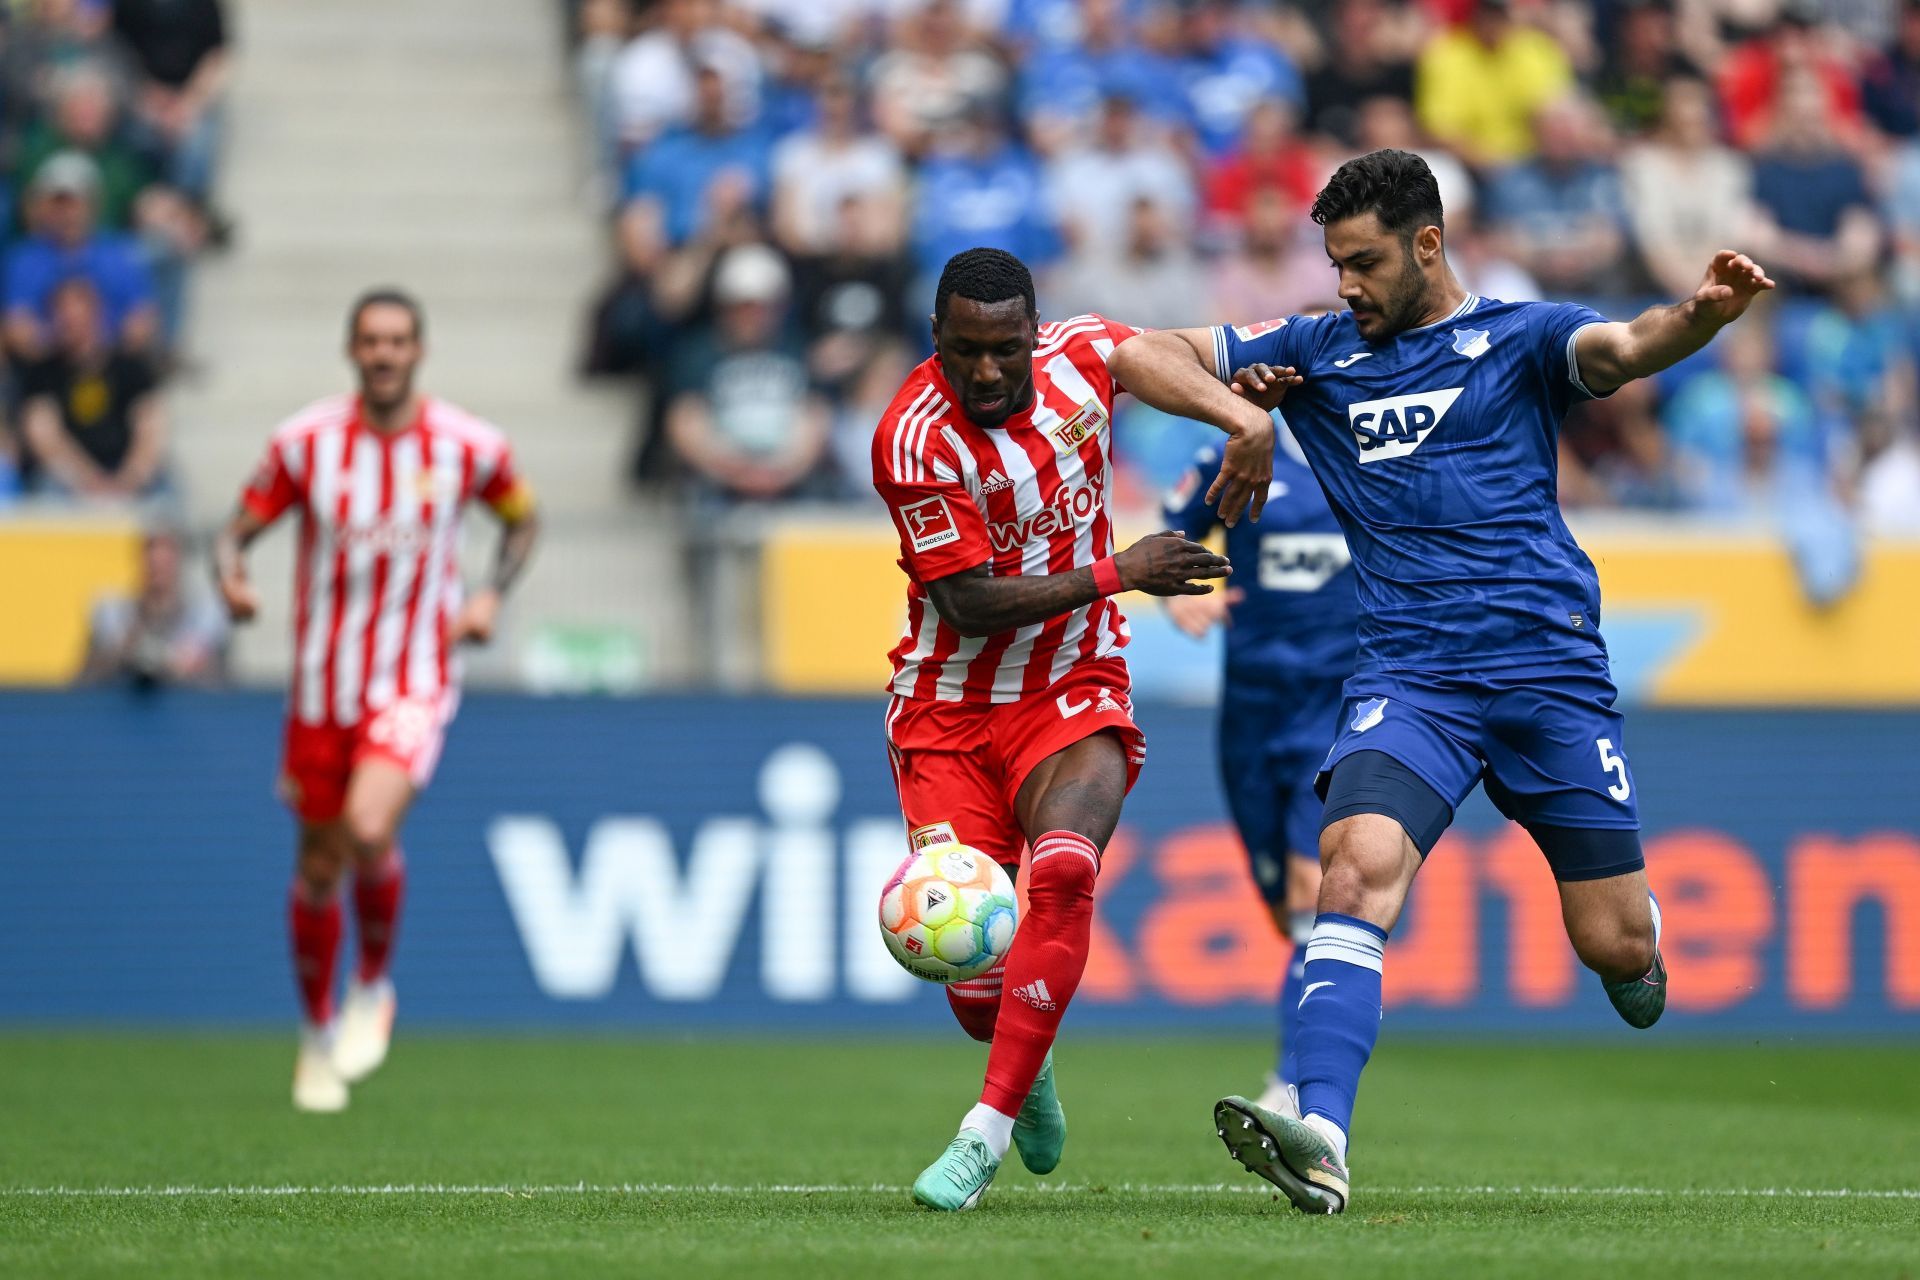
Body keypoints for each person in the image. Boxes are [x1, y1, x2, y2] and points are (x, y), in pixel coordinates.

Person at [1108, 148, 1773, 1214]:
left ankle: (1633, 931)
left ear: (1427, 244)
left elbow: (1629, 343)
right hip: (1410, 673)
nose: (1345, 287)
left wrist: (1704, 314)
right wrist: (1243, 415)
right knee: (1353, 866)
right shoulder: (1315, 351)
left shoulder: (1524, 337)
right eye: (1334, 265)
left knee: (1619, 947)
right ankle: (1321, 1134)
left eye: (1363, 263)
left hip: (1547, 670)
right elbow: (1140, 351)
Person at [872, 246, 1273, 1212]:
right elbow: (967, 603)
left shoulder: (1077, 356)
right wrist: (1121, 571)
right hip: (948, 709)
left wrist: (1239, 415)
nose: (987, 372)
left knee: (1060, 870)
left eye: (1005, 349)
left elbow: (1143, 355)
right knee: (973, 974)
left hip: (1073, 686)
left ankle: (983, 1134)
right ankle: (1027, 1059)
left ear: (1033, 335)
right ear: (936, 339)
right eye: (965, 350)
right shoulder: (911, 437)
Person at [212, 290, 541, 1114]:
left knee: (367, 826)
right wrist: (232, 577)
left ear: (418, 351)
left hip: (414, 676)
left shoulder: (467, 445)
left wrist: (491, 595)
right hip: (322, 689)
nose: (385, 353)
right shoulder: (305, 444)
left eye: (398, 340)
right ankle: (317, 1037)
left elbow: (524, 520)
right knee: (318, 867)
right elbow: (234, 529)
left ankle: (373, 984)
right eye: (371, 341)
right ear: (351, 351)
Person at [1161, 423, 1359, 1122]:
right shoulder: (1236, 458)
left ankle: (1293, 1080)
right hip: (1251, 711)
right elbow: (1172, 527)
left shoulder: (1379, 456)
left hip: (1339, 709)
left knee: (1315, 891)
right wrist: (1179, 590)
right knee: (1285, 913)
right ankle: (1301, 1058)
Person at [19, 278, 166, 499]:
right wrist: (88, 481)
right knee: (46, 493)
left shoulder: (130, 367)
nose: (70, 323)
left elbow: (150, 425)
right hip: (68, 479)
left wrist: (130, 479)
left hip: (125, 472)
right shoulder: (41, 373)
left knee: (167, 493)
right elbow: (43, 435)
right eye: (63, 316)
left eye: (77, 315)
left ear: (97, 315)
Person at [82, 528, 227, 687]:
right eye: (153, 565)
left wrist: (197, 665)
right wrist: (120, 652)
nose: (158, 572)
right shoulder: (113, 613)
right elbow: (85, 680)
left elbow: (226, 682)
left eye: (165, 565)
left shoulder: (206, 615)